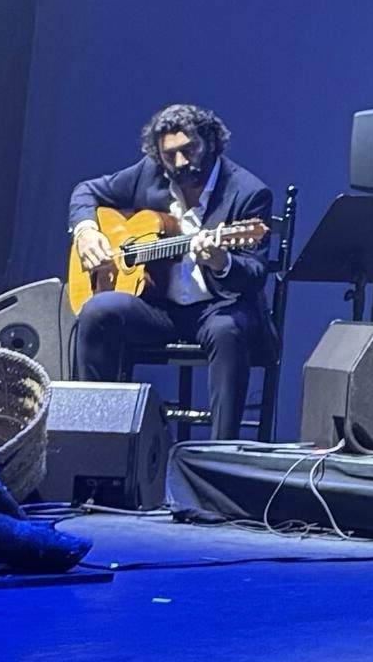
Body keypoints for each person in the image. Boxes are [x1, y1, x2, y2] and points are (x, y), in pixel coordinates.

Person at [68, 104, 283, 424]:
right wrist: (86, 231)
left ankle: (219, 457)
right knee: (97, 311)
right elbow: (85, 192)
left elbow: (254, 275)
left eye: (189, 149)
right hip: (158, 308)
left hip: (217, 307)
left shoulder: (248, 192)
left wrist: (222, 262)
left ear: (210, 141)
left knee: (228, 330)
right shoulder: (148, 173)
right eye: (170, 155)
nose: (181, 162)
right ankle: (95, 430)